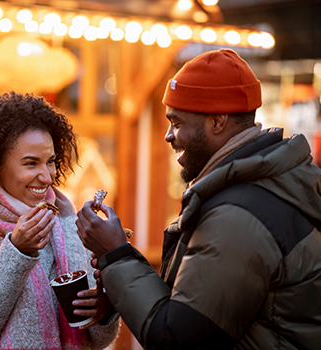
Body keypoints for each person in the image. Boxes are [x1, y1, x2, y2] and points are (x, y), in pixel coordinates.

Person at [76, 49, 321, 349]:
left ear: (217, 122)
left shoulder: (239, 215)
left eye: (177, 123)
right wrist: (122, 259)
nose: (168, 135)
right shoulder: (257, 189)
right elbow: (190, 308)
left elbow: (178, 339)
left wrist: (115, 255)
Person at [0, 91, 119, 350]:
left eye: (51, 162)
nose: (47, 176)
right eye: (31, 164)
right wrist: (17, 250)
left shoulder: (65, 222)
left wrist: (105, 311)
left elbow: (97, 340)